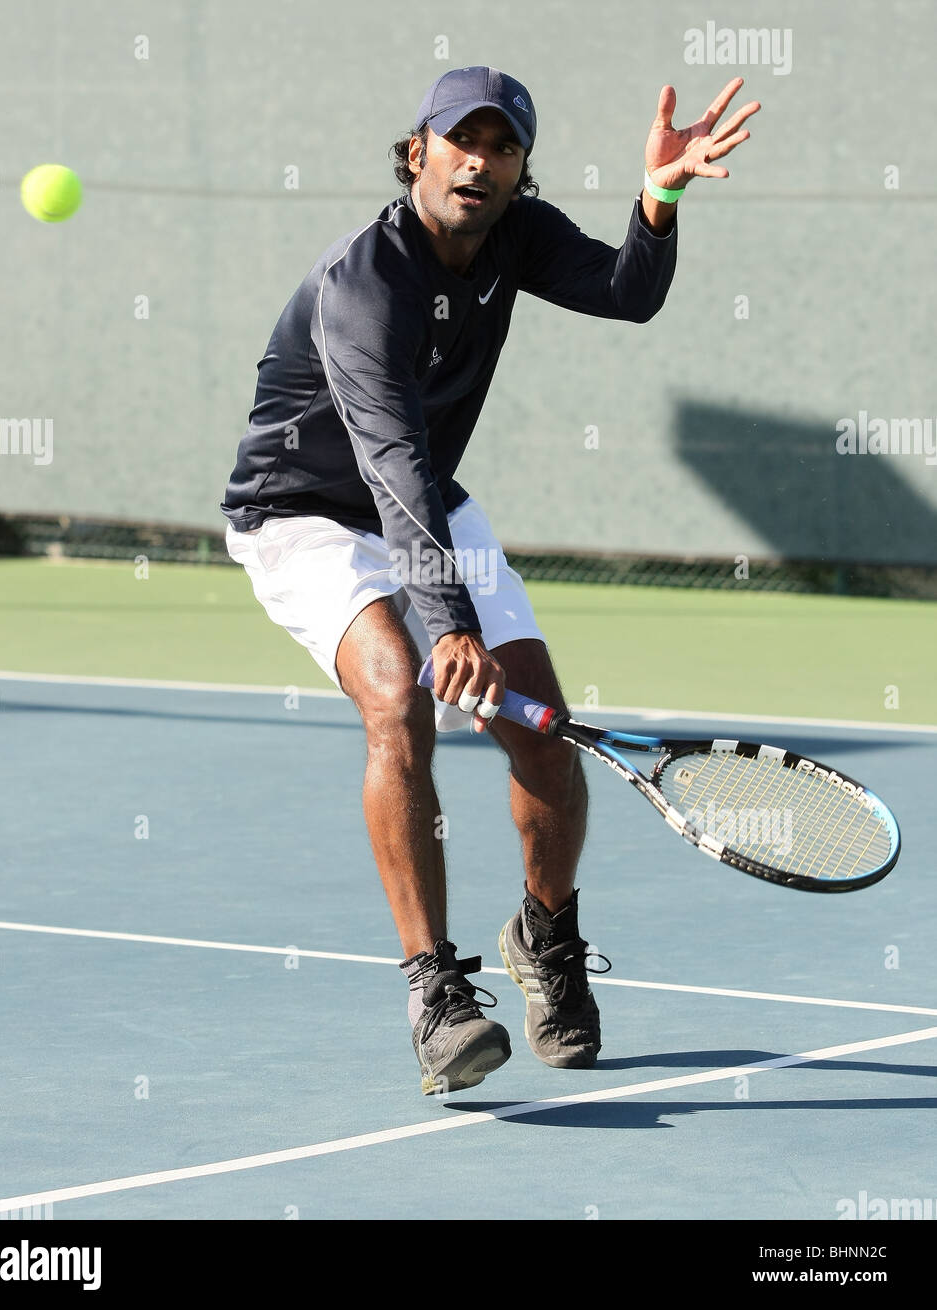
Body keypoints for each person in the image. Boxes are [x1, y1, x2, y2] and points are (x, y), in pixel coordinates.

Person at [222, 66, 760, 1095]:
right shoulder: (363, 282)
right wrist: (447, 625)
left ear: (519, 167)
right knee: (397, 703)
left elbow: (627, 293)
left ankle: (544, 934)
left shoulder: (515, 231)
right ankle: (433, 988)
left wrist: (660, 199)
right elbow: (391, 462)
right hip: (305, 514)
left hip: (431, 506)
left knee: (546, 734)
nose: (480, 159)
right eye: (460, 140)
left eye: (502, 145)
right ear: (417, 151)